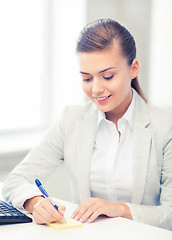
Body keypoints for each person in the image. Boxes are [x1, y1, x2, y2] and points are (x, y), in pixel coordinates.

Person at [2, 19, 172, 230]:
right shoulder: (71, 120)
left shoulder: (165, 128)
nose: (96, 89)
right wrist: (35, 202)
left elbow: (169, 213)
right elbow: (15, 180)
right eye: (87, 78)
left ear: (134, 68)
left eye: (108, 76)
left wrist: (118, 209)